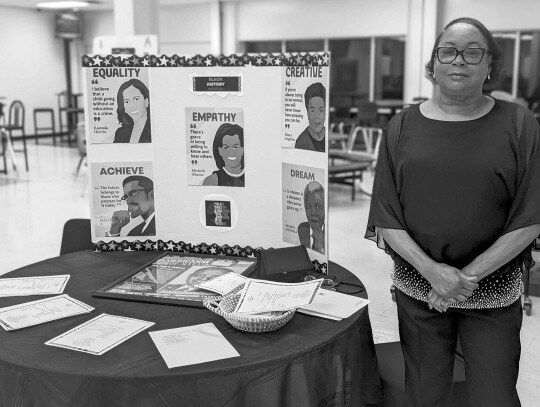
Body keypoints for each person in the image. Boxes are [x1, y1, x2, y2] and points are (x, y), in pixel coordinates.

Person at [365, 17, 540, 407]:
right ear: (433, 64)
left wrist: (464, 279)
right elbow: (386, 216)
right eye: (448, 51)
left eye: (472, 51)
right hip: (420, 291)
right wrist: (434, 274)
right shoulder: (401, 127)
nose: (458, 60)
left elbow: (531, 215)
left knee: (494, 396)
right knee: (425, 394)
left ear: (490, 65)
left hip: (492, 295)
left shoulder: (520, 125)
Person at [113, 79, 151, 143]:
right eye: (127, 101)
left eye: (136, 99)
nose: (132, 105)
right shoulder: (120, 133)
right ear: (123, 107)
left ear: (146, 101)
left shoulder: (153, 128)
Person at [295, 82, 326, 152]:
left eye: (321, 110)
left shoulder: (328, 136)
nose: (317, 116)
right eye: (312, 110)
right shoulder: (301, 143)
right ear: (307, 112)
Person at [298, 181, 325, 253]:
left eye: (318, 206)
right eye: (308, 206)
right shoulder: (303, 229)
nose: (313, 213)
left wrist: (320, 246)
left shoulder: (329, 234)